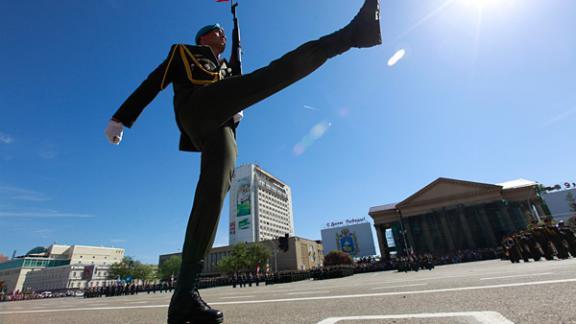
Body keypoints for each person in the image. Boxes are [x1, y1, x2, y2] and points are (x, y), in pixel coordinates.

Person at [105, 1, 381, 323]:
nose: (221, 35)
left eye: (224, 32)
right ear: (204, 38)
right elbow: (152, 83)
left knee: (213, 194)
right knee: (273, 74)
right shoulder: (183, 53)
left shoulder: (227, 69)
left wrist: (234, 97)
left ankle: (184, 296)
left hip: (221, 127)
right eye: (216, 31)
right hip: (199, 107)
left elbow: (236, 65)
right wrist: (122, 119)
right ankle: (351, 35)